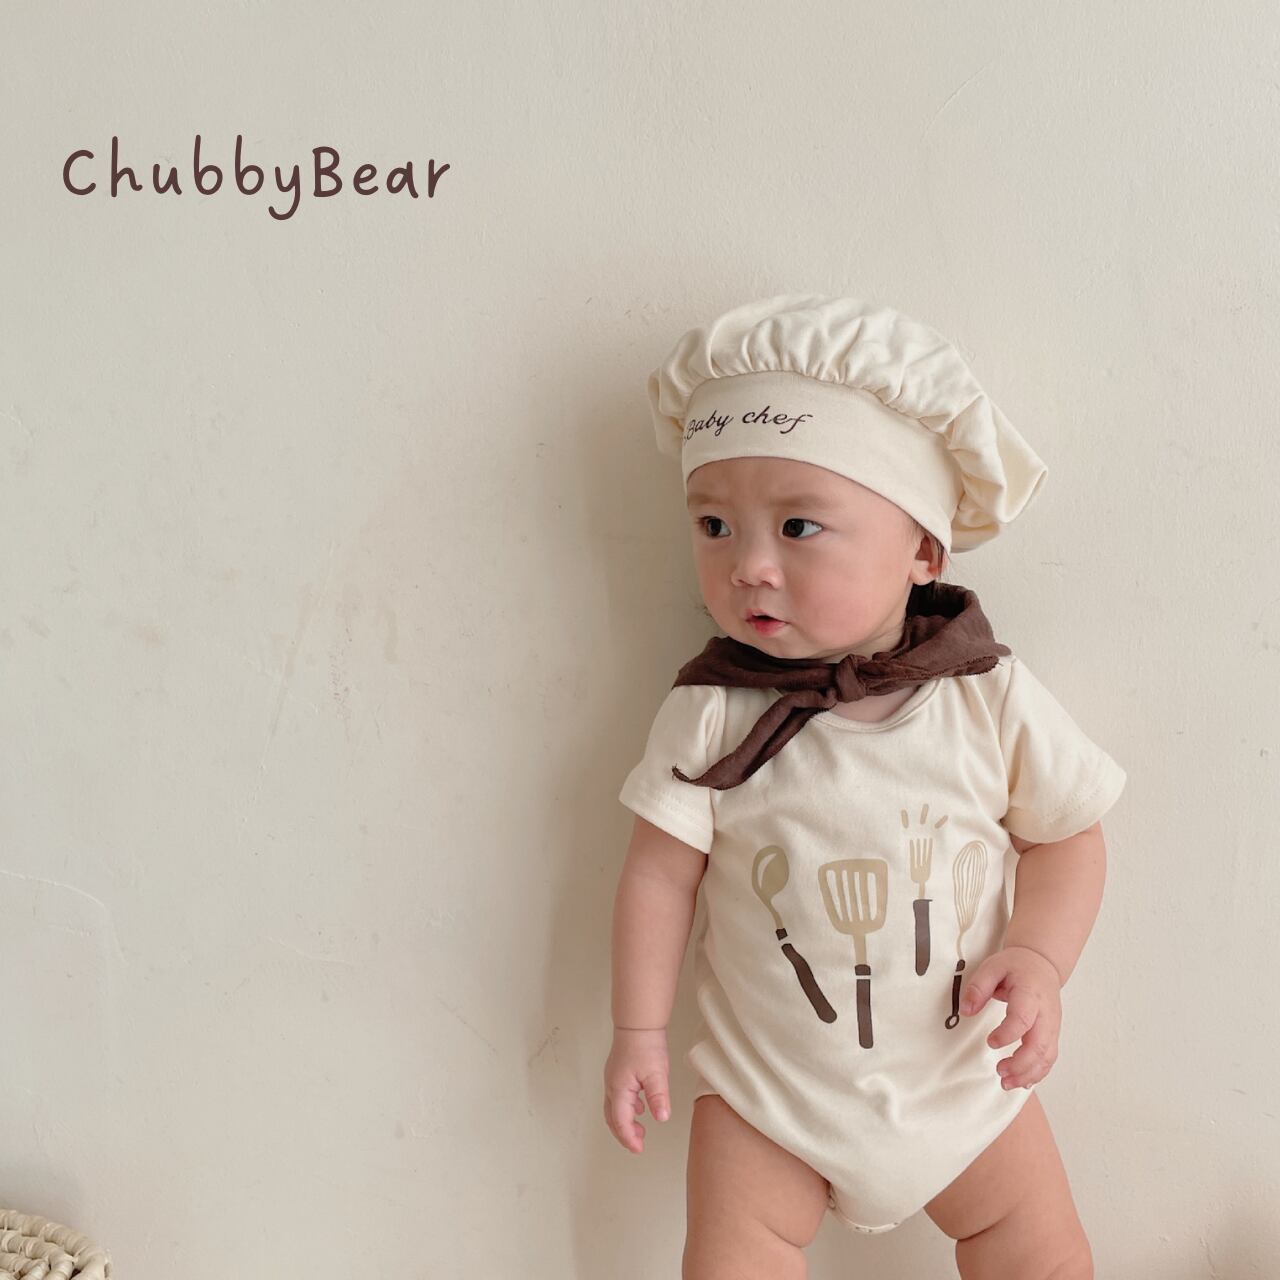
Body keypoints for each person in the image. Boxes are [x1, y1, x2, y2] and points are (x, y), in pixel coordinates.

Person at [603, 294, 1127, 1280]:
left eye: (798, 525)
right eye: (714, 524)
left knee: (1040, 1252)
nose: (748, 566)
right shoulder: (713, 708)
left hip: (961, 1078)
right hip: (769, 1094)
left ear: (922, 548)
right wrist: (638, 1027)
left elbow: (1067, 833)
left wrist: (1039, 955)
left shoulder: (984, 695)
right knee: (730, 1258)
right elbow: (658, 875)